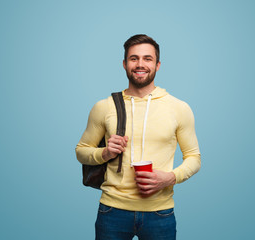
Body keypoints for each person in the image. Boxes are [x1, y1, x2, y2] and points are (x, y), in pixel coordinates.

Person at [75, 34, 201, 240]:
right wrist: (104, 153)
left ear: (158, 65)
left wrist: (170, 178)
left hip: (161, 212)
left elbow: (194, 158)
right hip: (112, 211)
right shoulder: (104, 107)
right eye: (134, 58)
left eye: (147, 58)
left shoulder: (179, 108)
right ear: (124, 64)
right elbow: (81, 151)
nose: (140, 64)